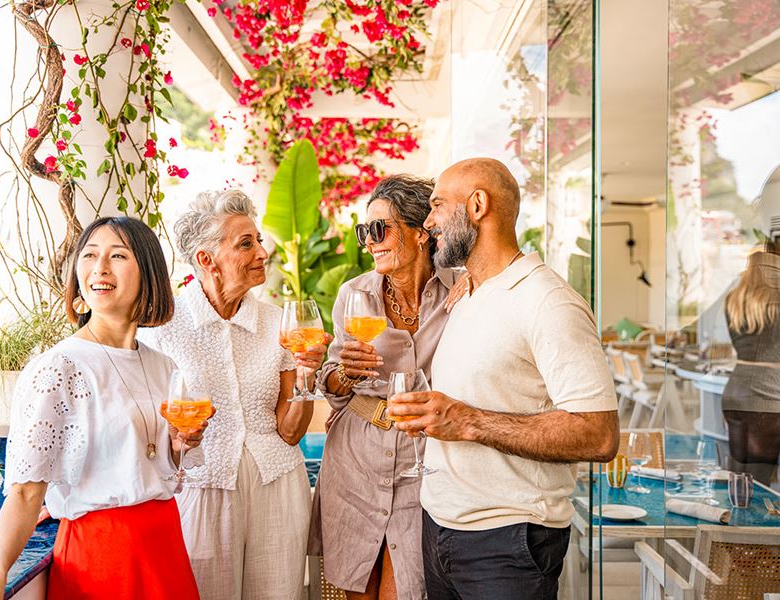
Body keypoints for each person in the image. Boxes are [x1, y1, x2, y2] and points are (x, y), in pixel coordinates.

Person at [388, 158, 620, 600]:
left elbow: (599, 434)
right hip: (439, 527)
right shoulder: (470, 292)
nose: (428, 221)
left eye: (437, 205)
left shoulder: (548, 302)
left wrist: (469, 422)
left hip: (508, 542)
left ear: (477, 205)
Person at [0, 217, 209, 600]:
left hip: (165, 545)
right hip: (102, 556)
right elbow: (27, 492)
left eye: (118, 255)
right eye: (90, 255)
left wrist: (179, 445)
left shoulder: (164, 366)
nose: (100, 267)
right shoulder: (58, 368)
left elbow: (156, 463)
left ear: (149, 273)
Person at [138, 190, 328, 600]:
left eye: (258, 239)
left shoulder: (280, 323)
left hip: (277, 483)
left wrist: (306, 374)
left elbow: (291, 432)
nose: (262, 251)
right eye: (246, 243)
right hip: (199, 489)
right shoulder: (161, 330)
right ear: (206, 260)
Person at [309, 174, 467, 600]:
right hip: (355, 460)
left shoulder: (463, 291)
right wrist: (344, 373)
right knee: (356, 585)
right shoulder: (353, 293)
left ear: (421, 234)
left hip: (424, 460)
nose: (369, 241)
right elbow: (333, 385)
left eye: (380, 229)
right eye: (365, 231)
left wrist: (474, 277)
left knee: (410, 588)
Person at [722, 247, 780, 484]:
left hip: (735, 392)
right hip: (768, 395)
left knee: (739, 473)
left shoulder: (733, 300)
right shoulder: (776, 303)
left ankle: (738, 519)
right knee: (761, 479)